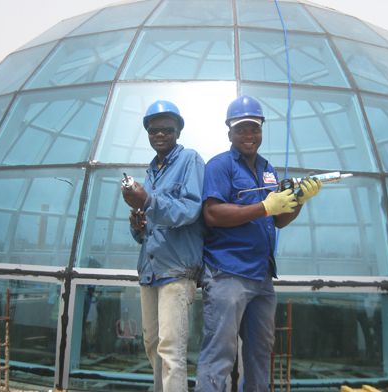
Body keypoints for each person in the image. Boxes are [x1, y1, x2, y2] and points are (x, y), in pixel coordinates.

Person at [195, 96, 322, 392]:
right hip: (228, 274)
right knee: (219, 354)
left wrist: (298, 201)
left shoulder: (268, 169)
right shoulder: (219, 166)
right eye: (241, 130)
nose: (248, 136)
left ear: (262, 130)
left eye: (254, 129)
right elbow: (212, 214)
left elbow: (277, 220)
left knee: (261, 353)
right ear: (229, 133)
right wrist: (266, 206)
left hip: (262, 278)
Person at [121, 100, 204, 392]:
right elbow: (147, 230)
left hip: (177, 268)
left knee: (171, 350)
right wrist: (138, 224)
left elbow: (191, 209)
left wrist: (147, 201)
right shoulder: (151, 171)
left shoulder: (189, 161)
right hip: (151, 268)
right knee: (152, 343)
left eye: (167, 130)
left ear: (178, 131)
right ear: (147, 133)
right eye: (153, 130)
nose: (160, 135)